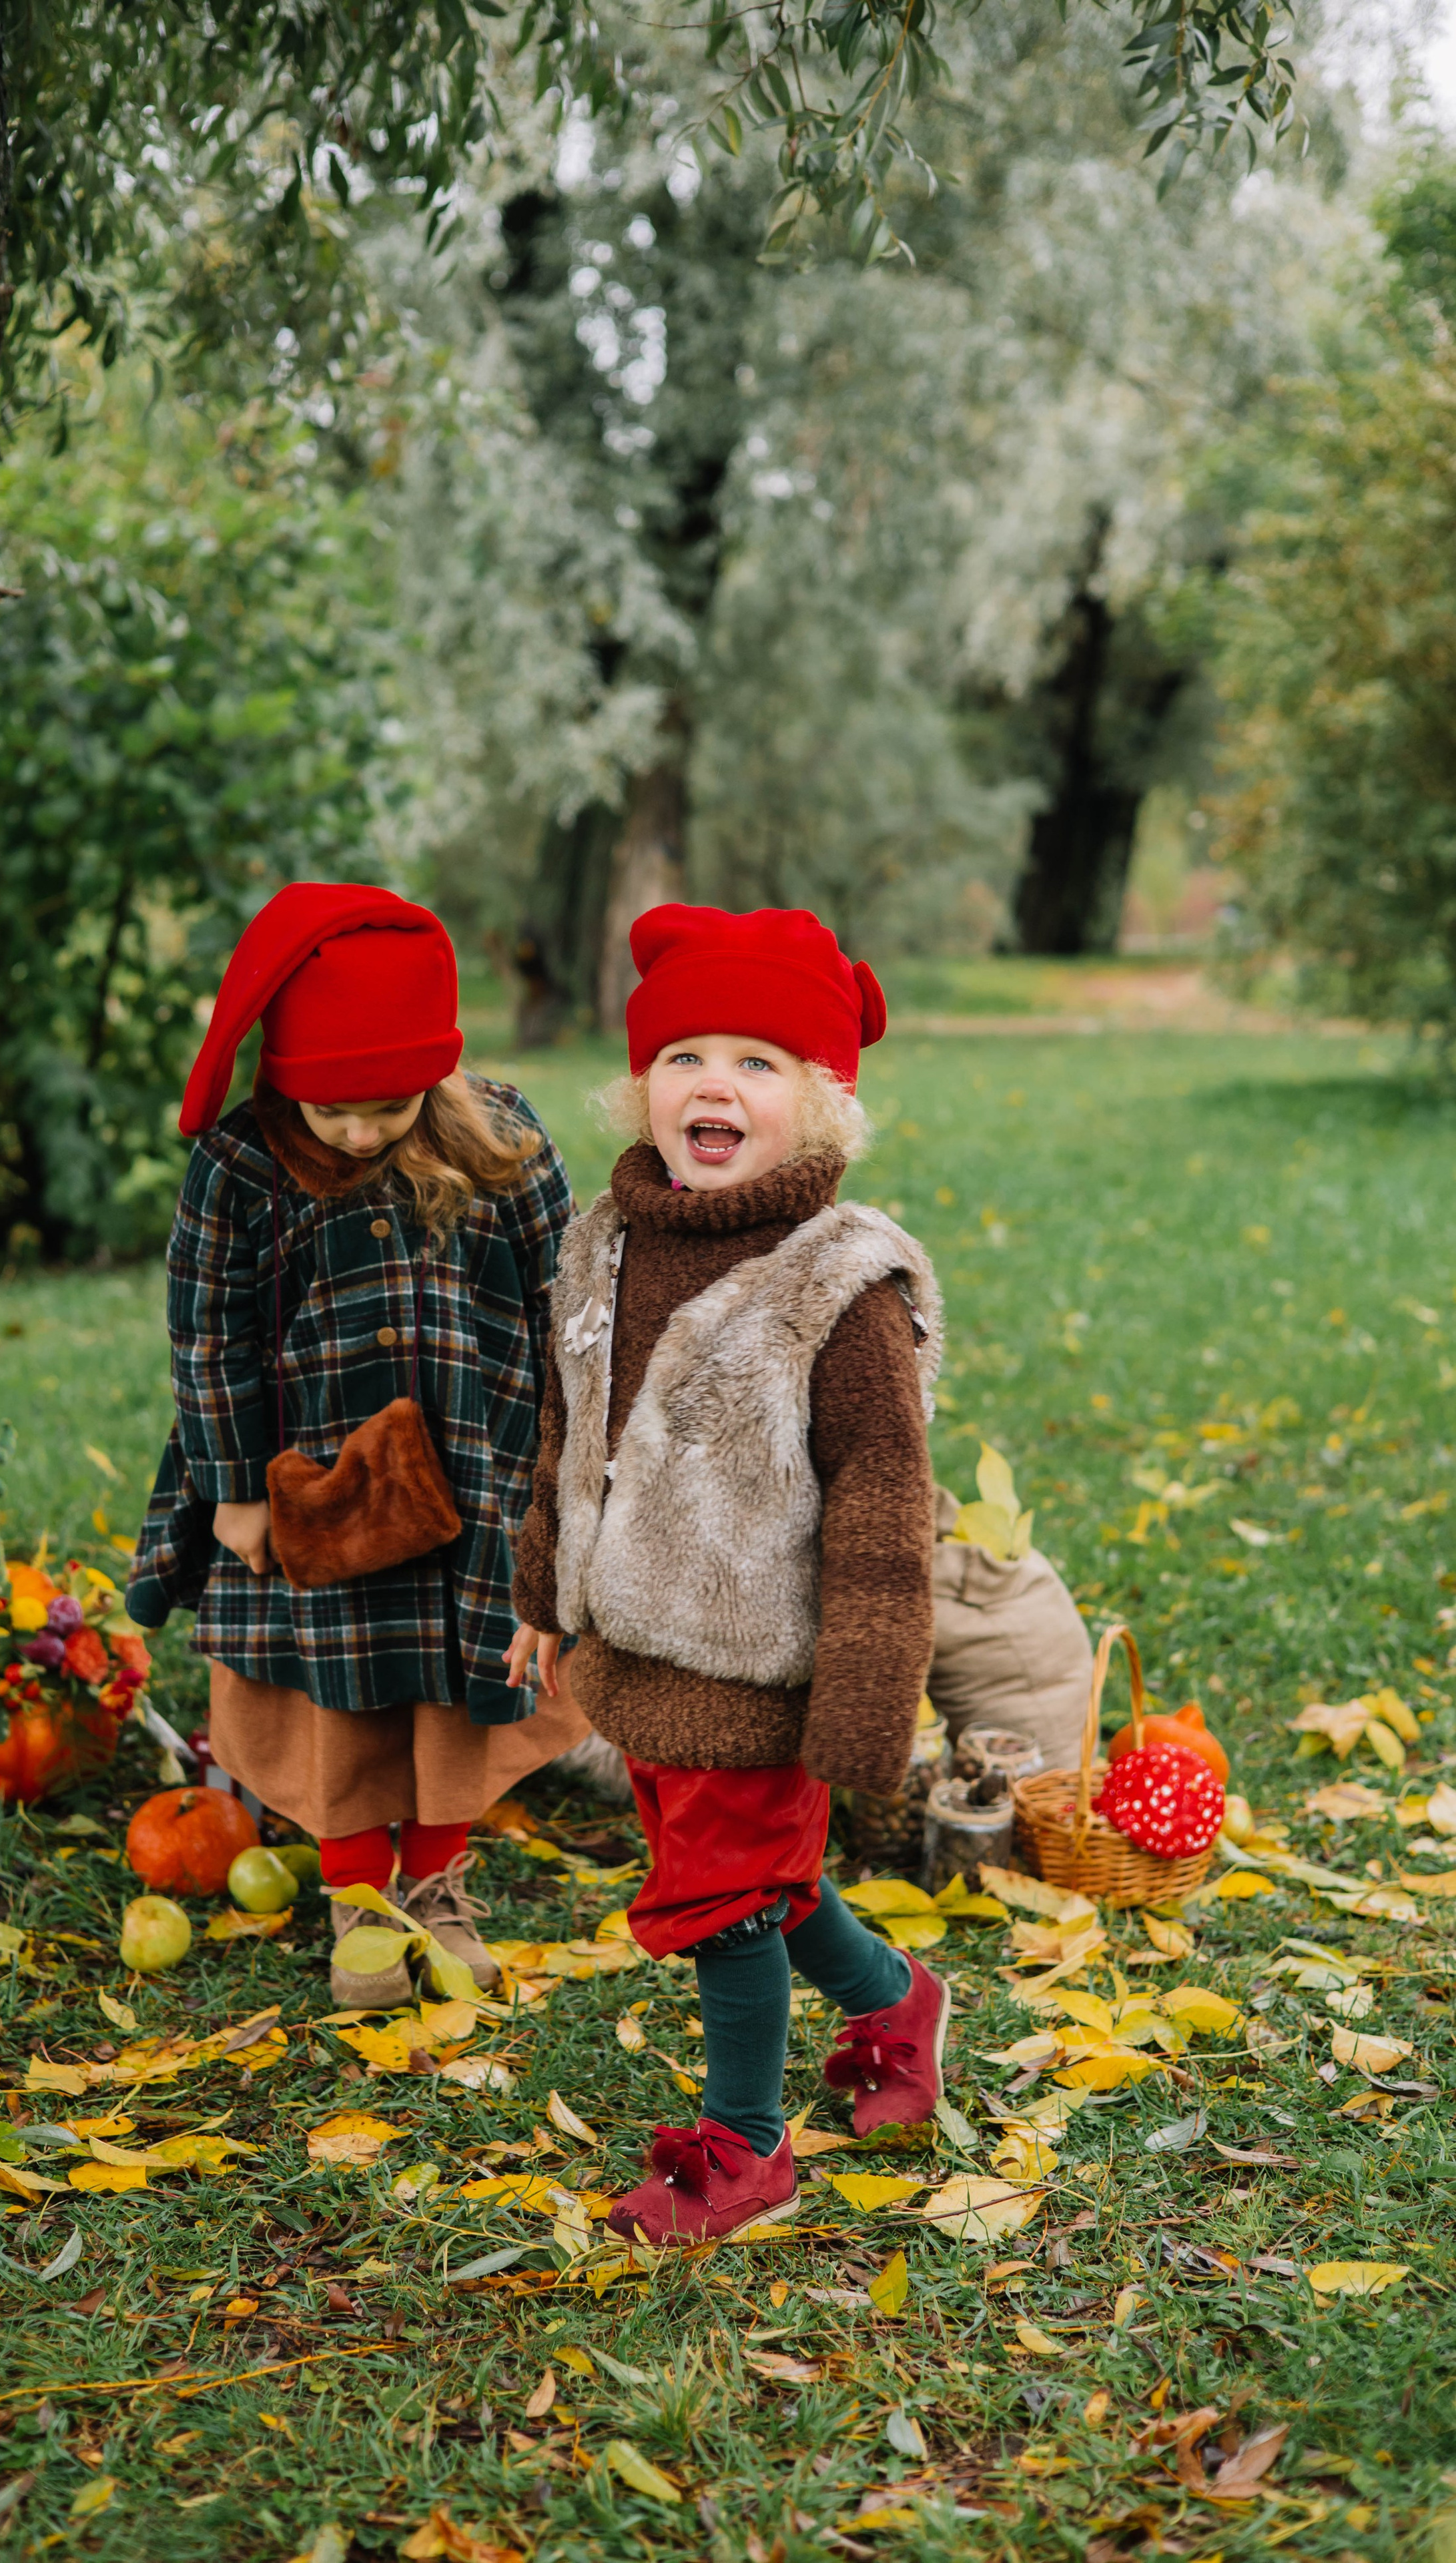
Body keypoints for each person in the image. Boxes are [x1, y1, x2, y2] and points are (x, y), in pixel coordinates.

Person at [507, 904, 947, 2243]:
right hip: (633, 1654)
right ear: (641, 1083)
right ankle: (891, 2003)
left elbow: (884, 1502)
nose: (714, 1082)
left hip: (763, 1665)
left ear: (819, 1109)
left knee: (721, 1904)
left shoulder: (834, 1287)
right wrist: (539, 1597)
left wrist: (868, 1697)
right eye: (686, 1052)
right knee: (749, 1878)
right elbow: (564, 1431)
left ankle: (745, 2145)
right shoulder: (604, 1244)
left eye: (758, 1063)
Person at [127, 883, 587, 2004]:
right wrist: (234, 1490)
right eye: (333, 1111)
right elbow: (206, 1336)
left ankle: (437, 1888)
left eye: (386, 1108)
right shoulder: (242, 1167)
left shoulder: (506, 1138)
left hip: (474, 1469)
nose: (360, 1132)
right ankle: (359, 1907)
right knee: (340, 1693)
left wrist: (563, 1458)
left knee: (447, 1682)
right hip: (314, 1484)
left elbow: (568, 1302)